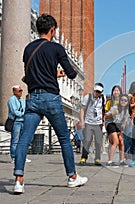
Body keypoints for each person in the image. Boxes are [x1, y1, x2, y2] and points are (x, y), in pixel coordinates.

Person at [14, 14, 87, 194]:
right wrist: (65, 72)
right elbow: (71, 74)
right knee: (64, 139)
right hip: (51, 98)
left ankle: (18, 180)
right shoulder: (56, 48)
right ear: (52, 30)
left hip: (33, 98)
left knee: (24, 139)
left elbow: (31, 74)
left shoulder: (28, 49)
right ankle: (72, 177)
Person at [79, 83, 106, 165]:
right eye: (96, 91)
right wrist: (82, 121)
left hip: (98, 123)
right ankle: (84, 157)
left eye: (99, 92)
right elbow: (82, 109)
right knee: (87, 140)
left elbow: (103, 111)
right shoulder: (88, 97)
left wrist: (103, 122)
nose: (97, 93)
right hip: (88, 122)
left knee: (98, 142)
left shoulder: (103, 98)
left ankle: (97, 158)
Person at [7, 85, 31, 164]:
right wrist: (23, 114)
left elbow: (25, 109)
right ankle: (14, 157)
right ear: (14, 92)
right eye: (19, 91)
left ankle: (22, 157)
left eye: (21, 91)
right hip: (16, 122)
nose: (21, 92)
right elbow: (14, 111)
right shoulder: (11, 100)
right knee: (15, 140)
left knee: (22, 140)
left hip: (23, 121)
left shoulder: (22, 100)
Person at [106, 94, 130, 166]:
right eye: (122, 100)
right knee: (115, 141)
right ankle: (110, 161)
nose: (123, 102)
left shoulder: (126, 111)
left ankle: (121, 160)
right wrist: (113, 113)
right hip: (110, 123)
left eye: (125, 100)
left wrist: (122, 131)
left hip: (118, 125)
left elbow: (124, 122)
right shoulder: (114, 108)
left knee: (121, 142)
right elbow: (106, 116)